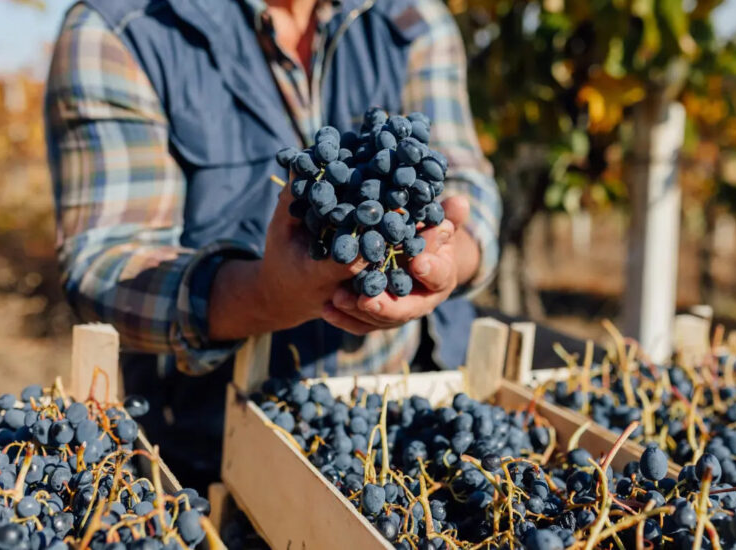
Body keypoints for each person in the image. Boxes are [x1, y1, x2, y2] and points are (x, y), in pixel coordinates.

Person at [45, 0, 500, 488]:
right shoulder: (119, 29)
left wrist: (451, 256)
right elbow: (102, 266)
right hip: (217, 456)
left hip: (402, 431)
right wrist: (263, 297)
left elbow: (464, 184)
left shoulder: (411, 16)